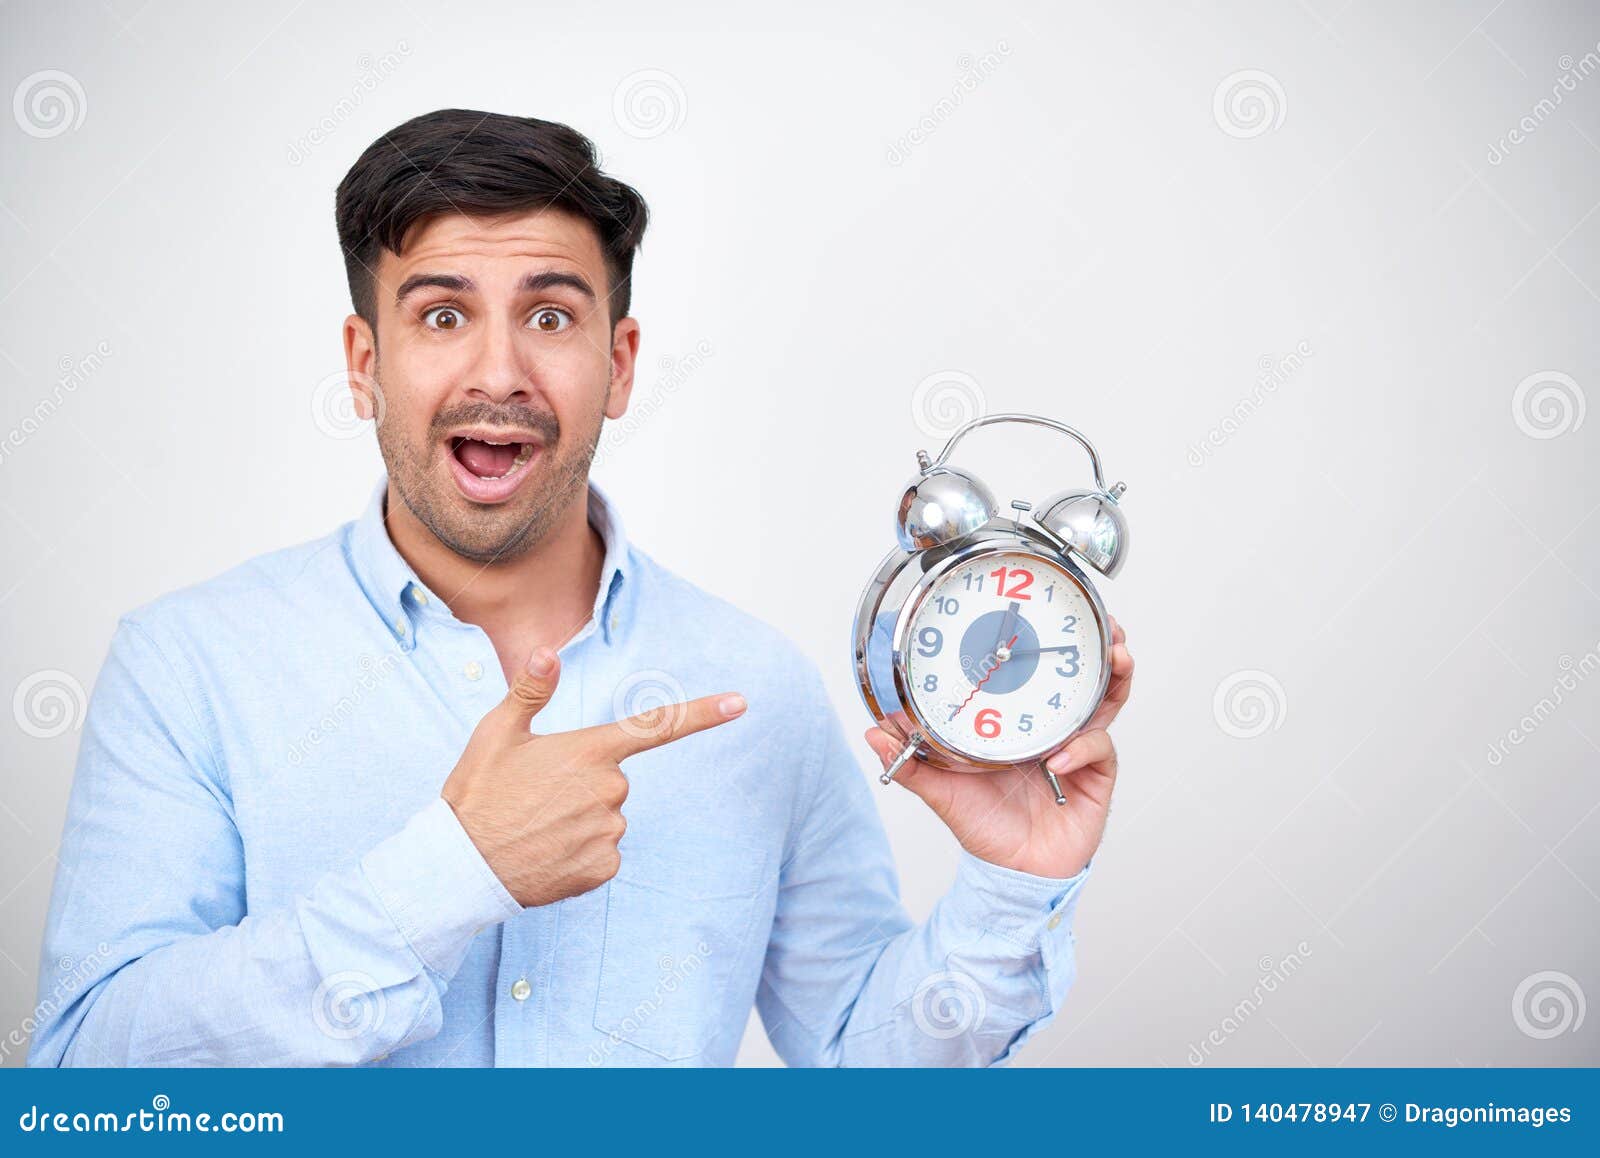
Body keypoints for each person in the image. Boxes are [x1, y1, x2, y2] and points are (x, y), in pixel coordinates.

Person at [28, 109, 1134, 1067]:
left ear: (620, 361)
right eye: (442, 314)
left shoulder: (757, 691)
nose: (500, 371)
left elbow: (860, 1067)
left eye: (551, 316)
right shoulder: (188, 665)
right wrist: (449, 875)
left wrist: (1010, 885)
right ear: (364, 363)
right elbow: (89, 1076)